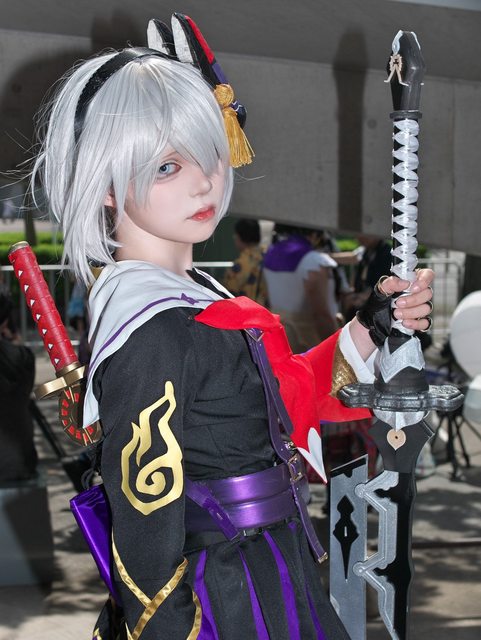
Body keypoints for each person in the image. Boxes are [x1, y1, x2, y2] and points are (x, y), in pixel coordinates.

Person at [29, 12, 434, 640]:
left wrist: (372, 325)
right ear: (106, 184)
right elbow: (146, 534)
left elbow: (283, 399)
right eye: (167, 166)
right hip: (220, 593)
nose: (205, 181)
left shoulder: (198, 299)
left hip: (272, 567)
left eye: (209, 152)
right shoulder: (150, 327)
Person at [263, 223, 341, 353]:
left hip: (279, 341)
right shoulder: (313, 261)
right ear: (314, 234)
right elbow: (321, 314)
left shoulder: (270, 254)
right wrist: (336, 351)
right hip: (310, 343)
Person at [0, 292, 37, 483]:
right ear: (5, 322)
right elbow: (25, 392)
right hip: (16, 461)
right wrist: (16, 344)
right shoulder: (21, 357)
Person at [222, 218, 268, 306]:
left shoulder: (240, 265)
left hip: (246, 310)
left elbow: (229, 295)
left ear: (239, 237)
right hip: (266, 310)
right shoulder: (268, 256)